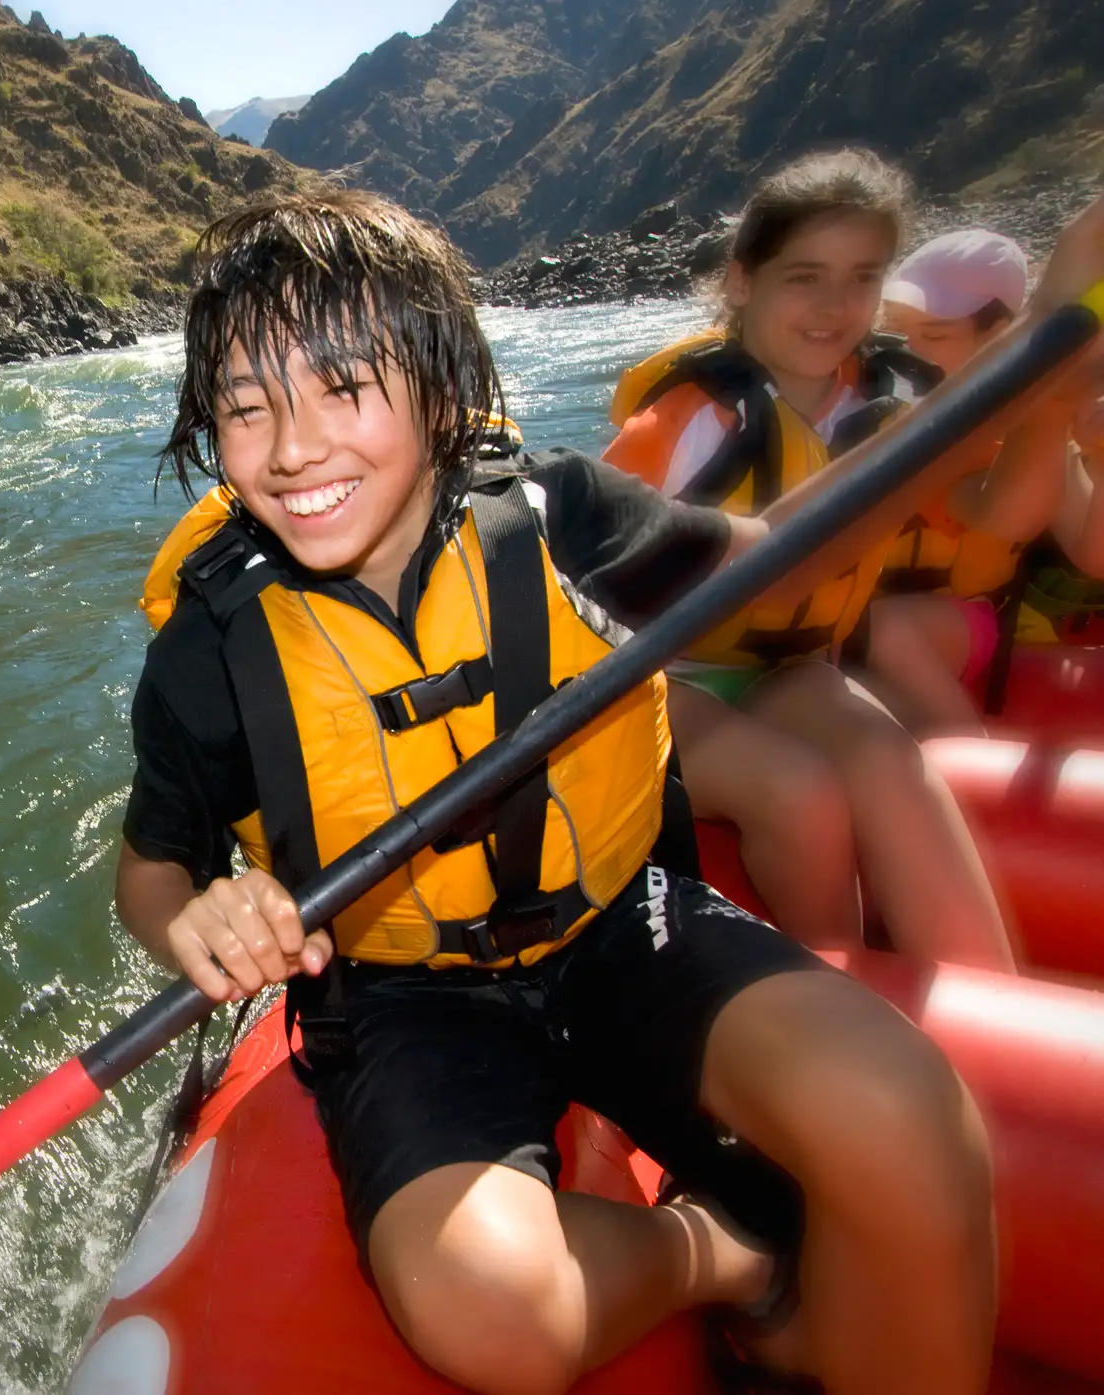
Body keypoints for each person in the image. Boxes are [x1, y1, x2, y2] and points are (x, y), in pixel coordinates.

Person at [114, 185, 1104, 1395]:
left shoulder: (561, 512)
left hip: (620, 923)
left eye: (342, 387)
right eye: (246, 407)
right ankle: (725, 1253)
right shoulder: (209, 652)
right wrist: (194, 918)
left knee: (904, 1106)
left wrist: (1035, 366)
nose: (292, 448)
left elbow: (793, 554)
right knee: (485, 1313)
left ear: (438, 384)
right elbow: (153, 869)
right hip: (405, 998)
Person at [603, 151, 1010, 969]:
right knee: (802, 794)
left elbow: (990, 528)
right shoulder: (680, 423)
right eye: (805, 277)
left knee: (889, 756)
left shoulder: (882, 402)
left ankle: (993, 1013)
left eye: (862, 278)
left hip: (787, 663)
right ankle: (840, 999)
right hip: (660, 680)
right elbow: (579, 575)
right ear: (743, 279)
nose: (835, 307)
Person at [866, 232, 1104, 730]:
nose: (909, 353)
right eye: (900, 333)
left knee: (886, 628)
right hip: (877, 635)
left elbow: (1093, 554)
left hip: (958, 625)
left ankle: (972, 754)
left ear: (1000, 336)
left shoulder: (1039, 432)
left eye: (933, 335)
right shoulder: (894, 411)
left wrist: (1101, 462)